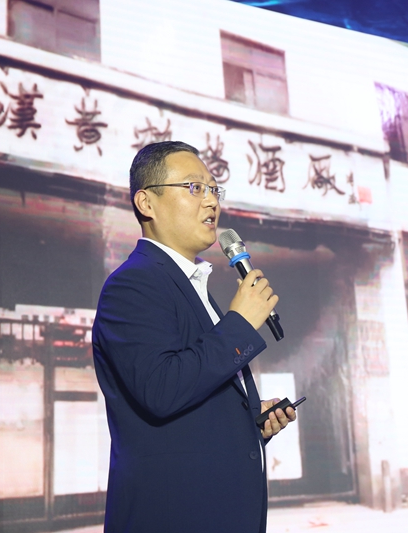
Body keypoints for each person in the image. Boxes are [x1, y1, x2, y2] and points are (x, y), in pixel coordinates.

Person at [92, 141, 296, 533]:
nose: (211, 201)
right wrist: (239, 323)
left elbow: (193, 396)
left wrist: (248, 422)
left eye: (214, 189)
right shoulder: (132, 284)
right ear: (146, 203)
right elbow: (161, 388)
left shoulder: (194, 284)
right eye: (194, 187)